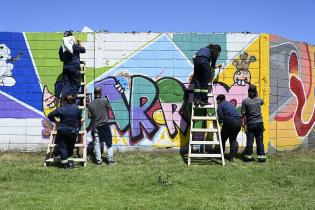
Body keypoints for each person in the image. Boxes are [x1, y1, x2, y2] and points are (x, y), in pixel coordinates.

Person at [48, 95, 82, 168]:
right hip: (73, 131)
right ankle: (70, 163)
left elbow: (50, 115)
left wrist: (56, 122)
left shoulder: (61, 109)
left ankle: (65, 164)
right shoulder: (76, 109)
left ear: (64, 101)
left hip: (62, 130)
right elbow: (80, 120)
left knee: (63, 147)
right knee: (70, 147)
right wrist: (78, 128)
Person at [86, 87, 116, 165]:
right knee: (108, 142)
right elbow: (109, 108)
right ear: (101, 92)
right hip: (105, 125)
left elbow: (90, 116)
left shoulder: (90, 104)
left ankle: (98, 160)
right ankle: (110, 160)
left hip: (96, 126)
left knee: (96, 143)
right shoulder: (104, 101)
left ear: (94, 93)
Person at [241, 85, 266, 162]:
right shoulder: (259, 100)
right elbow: (263, 102)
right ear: (256, 92)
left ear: (248, 91)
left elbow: (243, 113)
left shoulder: (245, 101)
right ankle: (261, 158)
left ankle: (248, 158)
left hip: (250, 123)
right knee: (260, 141)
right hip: (259, 123)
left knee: (250, 141)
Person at [59, 30, 86, 98]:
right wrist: (80, 43)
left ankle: (63, 98)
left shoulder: (62, 48)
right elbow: (83, 50)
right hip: (74, 68)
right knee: (76, 84)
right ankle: (69, 98)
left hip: (66, 68)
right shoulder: (74, 46)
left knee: (66, 85)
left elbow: (62, 59)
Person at [216, 94, 242, 161]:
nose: (216, 103)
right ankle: (231, 157)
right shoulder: (229, 104)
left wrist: (219, 121)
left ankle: (221, 155)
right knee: (233, 140)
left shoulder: (220, 105)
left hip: (230, 122)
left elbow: (221, 117)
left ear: (219, 100)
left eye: (217, 101)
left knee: (222, 139)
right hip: (238, 123)